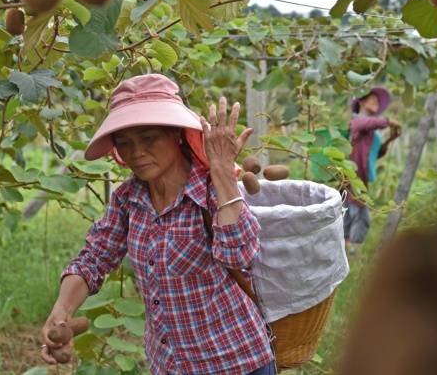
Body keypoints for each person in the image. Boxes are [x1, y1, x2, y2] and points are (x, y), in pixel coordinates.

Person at [40, 74, 275, 375]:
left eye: (149, 138)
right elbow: (94, 258)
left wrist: (223, 175)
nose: (136, 152)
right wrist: (61, 311)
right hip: (169, 366)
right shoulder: (129, 198)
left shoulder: (210, 189)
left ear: (176, 135)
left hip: (234, 362)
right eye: (124, 143)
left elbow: (240, 256)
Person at [345, 86, 401, 255]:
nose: (376, 101)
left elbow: (374, 155)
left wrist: (390, 138)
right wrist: (390, 121)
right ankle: (355, 252)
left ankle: (346, 248)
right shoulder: (357, 121)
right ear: (361, 101)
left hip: (361, 177)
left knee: (349, 211)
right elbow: (371, 122)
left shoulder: (370, 130)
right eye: (372, 98)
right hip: (354, 175)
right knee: (362, 214)